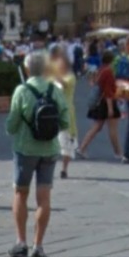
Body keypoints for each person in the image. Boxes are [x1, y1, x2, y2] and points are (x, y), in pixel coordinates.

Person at [7, 49, 69, 257]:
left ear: (26, 68)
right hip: (50, 150)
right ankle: (38, 246)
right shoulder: (55, 89)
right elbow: (65, 122)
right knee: (44, 197)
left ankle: (21, 242)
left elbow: (11, 125)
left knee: (20, 193)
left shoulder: (21, 90)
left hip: (25, 149)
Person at [77, 50, 125, 161]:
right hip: (107, 101)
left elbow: (97, 84)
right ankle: (118, 152)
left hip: (100, 102)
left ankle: (82, 148)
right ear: (111, 61)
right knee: (112, 129)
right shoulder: (108, 71)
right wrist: (110, 108)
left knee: (96, 127)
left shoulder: (101, 69)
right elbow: (108, 91)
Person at [49, 51, 80, 179]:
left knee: (67, 140)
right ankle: (49, 168)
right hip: (53, 109)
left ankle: (64, 169)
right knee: (52, 141)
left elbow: (64, 84)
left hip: (66, 111)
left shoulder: (70, 76)